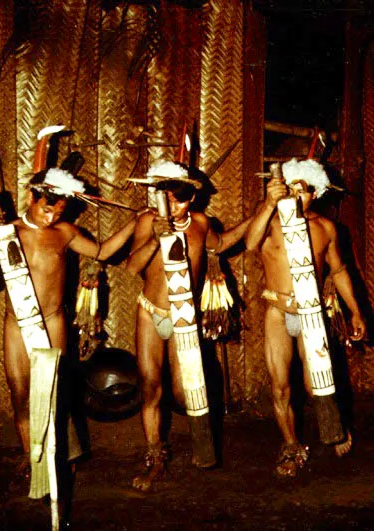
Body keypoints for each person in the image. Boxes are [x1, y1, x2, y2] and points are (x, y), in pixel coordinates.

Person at [0, 167, 140, 470]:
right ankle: (32, 458)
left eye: (59, 211)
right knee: (21, 394)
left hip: (53, 322)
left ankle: (60, 453)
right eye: (46, 209)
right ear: (31, 197)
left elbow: (102, 252)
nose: (51, 217)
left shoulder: (64, 233)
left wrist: (134, 224)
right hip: (16, 325)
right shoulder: (9, 232)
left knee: (52, 391)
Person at [125, 160, 253, 491]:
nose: (173, 206)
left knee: (184, 392)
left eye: (179, 199)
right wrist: (155, 239)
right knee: (150, 386)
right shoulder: (147, 222)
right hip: (150, 312)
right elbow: (132, 266)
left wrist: (262, 212)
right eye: (165, 198)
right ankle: (154, 458)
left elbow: (221, 244)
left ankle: (202, 448)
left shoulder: (199, 223)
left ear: (191, 199)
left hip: (186, 316)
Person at [244, 158, 366, 477]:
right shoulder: (271, 221)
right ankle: (290, 446)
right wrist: (269, 204)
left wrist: (355, 311)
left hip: (312, 311)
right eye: (291, 189)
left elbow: (338, 270)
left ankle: (334, 426)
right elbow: (250, 243)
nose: (297, 196)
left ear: (317, 193)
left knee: (317, 386)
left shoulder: (325, 228)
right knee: (280, 387)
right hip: (277, 311)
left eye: (305, 190)